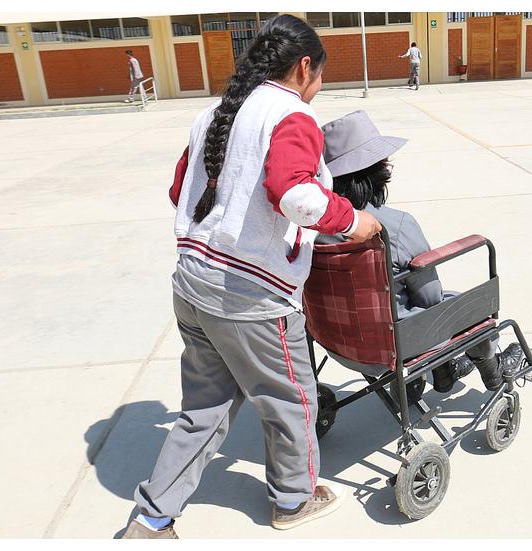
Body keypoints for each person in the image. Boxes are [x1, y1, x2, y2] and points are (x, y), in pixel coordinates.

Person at [124, 15, 382, 539]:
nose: (318, 89)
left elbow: (181, 192)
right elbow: (294, 194)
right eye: (320, 77)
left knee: (204, 409)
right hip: (251, 298)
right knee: (291, 400)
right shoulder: (289, 116)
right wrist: (355, 221)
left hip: (193, 283)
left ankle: (153, 519)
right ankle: (294, 499)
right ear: (304, 66)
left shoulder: (213, 114)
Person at [315, 110, 525, 401]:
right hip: (395, 345)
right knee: (468, 304)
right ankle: (495, 370)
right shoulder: (395, 225)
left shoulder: (308, 229)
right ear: (379, 172)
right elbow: (429, 298)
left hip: (338, 342)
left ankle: (443, 371)